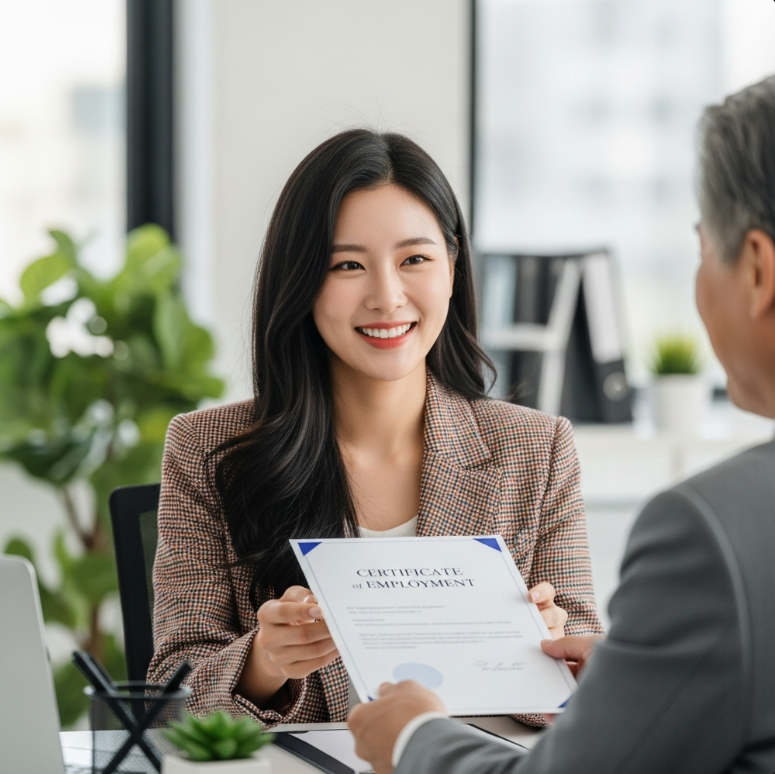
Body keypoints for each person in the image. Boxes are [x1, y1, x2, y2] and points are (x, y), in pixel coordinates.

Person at [348, 77, 775, 774]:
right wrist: (641, 674)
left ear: (755, 270)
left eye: (702, 250)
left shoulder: (713, 532)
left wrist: (412, 737)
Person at [148, 129, 603, 726]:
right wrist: (264, 662)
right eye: (347, 265)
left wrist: (548, 653)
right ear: (302, 282)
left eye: (414, 258)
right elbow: (168, 702)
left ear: (452, 264)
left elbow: (596, 692)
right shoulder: (208, 452)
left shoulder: (537, 449)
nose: (387, 297)